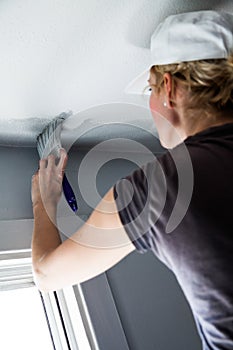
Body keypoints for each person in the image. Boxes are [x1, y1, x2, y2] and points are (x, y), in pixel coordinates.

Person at [31, 10, 233, 349]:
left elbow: (47, 275)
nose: (151, 103)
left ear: (168, 89)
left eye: (150, 90)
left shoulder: (162, 187)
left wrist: (43, 203)